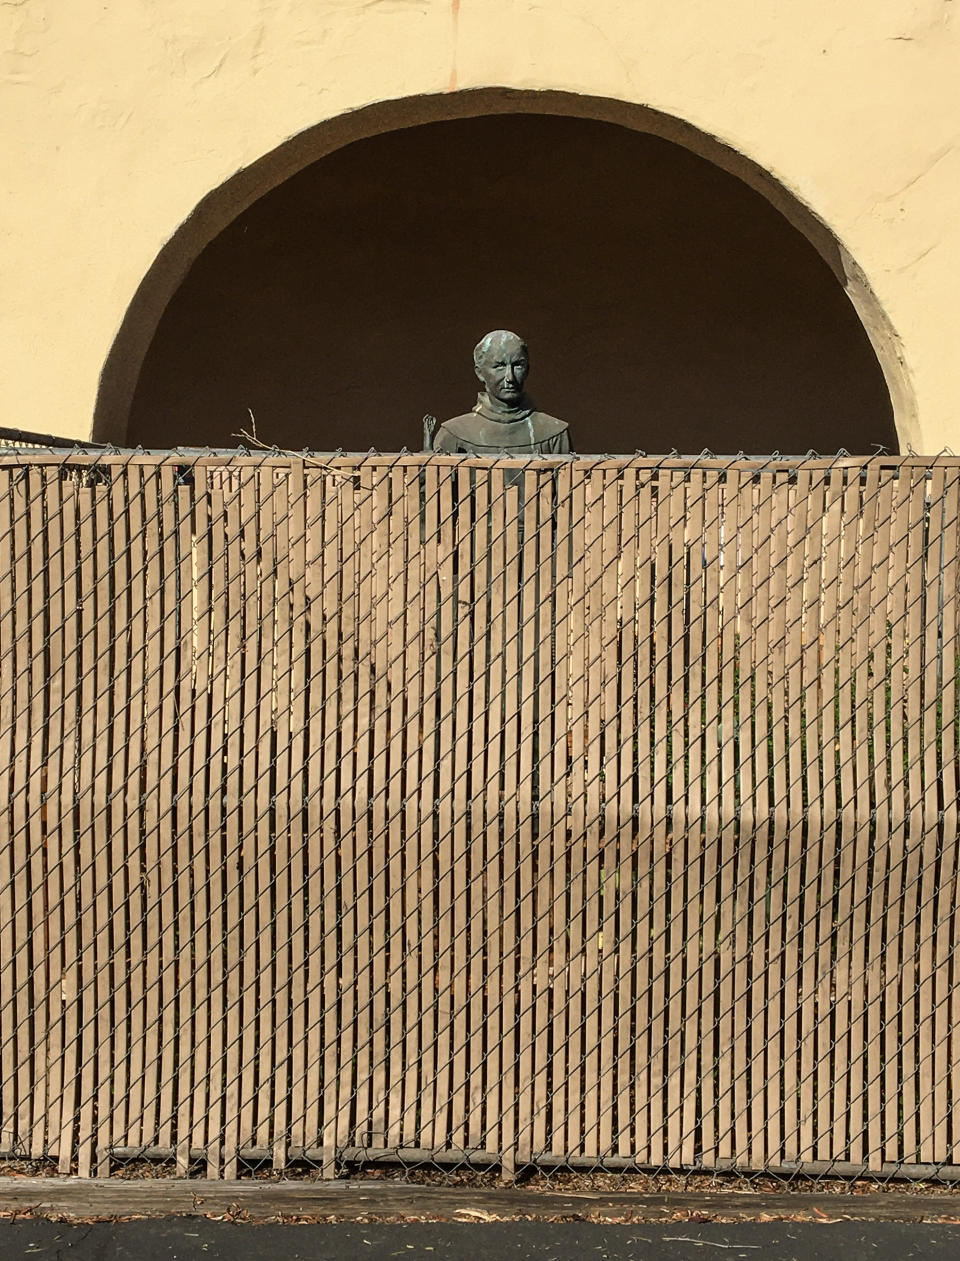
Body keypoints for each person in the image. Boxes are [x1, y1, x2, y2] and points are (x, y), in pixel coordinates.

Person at [431, 330, 572, 455]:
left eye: (517, 365)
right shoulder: (454, 434)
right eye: (499, 366)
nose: (509, 378)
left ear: (527, 370)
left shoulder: (554, 432)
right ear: (480, 373)